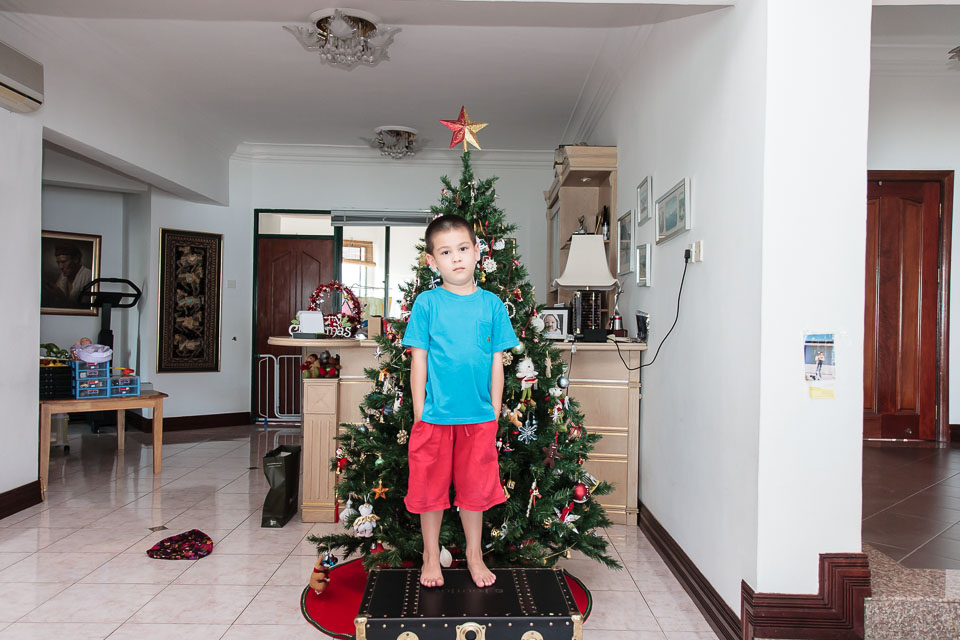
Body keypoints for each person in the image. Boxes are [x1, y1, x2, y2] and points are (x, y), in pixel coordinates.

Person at [402, 214, 520, 589]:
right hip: (434, 418)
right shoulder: (427, 304)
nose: (456, 258)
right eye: (446, 252)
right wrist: (420, 413)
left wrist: (494, 412)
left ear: (477, 252)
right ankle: (430, 554)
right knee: (429, 491)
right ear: (432, 261)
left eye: (463, 248)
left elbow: (497, 363)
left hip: (478, 418)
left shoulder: (492, 306)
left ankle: (474, 554)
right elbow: (419, 361)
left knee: (475, 492)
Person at [48, 243, 92, 307]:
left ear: (76, 260)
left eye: (63, 262)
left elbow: (83, 307)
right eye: (58, 263)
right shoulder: (63, 276)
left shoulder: (88, 276)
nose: (60, 267)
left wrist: (61, 296)